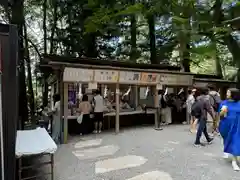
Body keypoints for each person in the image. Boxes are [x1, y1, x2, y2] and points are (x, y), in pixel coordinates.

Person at [218, 88, 240, 171]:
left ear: (233, 94)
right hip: (225, 124)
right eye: (227, 92)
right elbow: (220, 115)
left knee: (235, 141)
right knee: (226, 138)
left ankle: (234, 162)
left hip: (237, 126)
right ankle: (226, 148)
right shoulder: (223, 103)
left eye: (228, 92)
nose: (226, 93)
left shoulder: (239, 103)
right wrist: (223, 111)